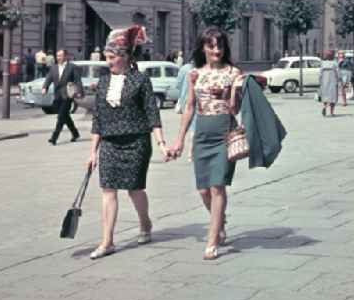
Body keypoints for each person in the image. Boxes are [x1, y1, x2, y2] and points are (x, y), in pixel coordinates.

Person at [86, 25, 170, 260]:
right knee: (108, 190)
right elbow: (98, 119)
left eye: (112, 58)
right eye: (107, 58)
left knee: (134, 190)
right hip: (110, 143)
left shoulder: (141, 80)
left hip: (137, 142)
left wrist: (162, 143)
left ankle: (145, 223)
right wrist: (93, 152)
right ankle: (107, 241)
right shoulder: (103, 82)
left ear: (124, 57)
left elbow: (153, 114)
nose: (108, 62)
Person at [169, 27, 245, 260]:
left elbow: (235, 109)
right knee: (203, 190)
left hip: (224, 131)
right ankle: (219, 220)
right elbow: (189, 107)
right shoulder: (195, 74)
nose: (216, 50)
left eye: (219, 46)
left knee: (217, 186)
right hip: (202, 133)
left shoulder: (234, 73)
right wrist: (180, 139)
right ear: (203, 47)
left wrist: (227, 93)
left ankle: (212, 241)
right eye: (211, 46)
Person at [42, 49, 84, 145]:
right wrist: (45, 87)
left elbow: (78, 80)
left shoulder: (72, 67)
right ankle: (75, 133)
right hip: (57, 95)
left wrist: (79, 91)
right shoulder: (54, 67)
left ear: (66, 56)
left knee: (61, 117)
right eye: (57, 56)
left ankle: (54, 137)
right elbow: (49, 78)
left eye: (60, 56)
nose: (58, 58)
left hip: (67, 95)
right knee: (65, 116)